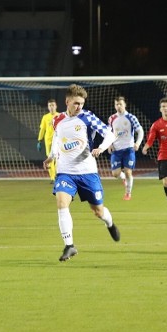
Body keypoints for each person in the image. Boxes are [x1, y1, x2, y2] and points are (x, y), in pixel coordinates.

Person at [43, 84, 120, 262]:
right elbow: (56, 139)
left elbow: (110, 134)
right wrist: (51, 156)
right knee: (62, 202)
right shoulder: (57, 120)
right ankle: (69, 245)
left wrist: (101, 148)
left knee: (98, 211)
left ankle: (109, 223)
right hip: (65, 172)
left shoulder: (87, 118)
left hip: (87, 173)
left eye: (82, 103)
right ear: (67, 101)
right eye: (76, 103)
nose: (79, 107)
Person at [107, 96, 144, 201]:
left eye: (120, 104)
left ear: (125, 105)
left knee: (128, 172)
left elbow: (140, 131)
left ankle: (128, 193)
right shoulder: (111, 118)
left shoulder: (131, 117)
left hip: (128, 149)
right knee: (115, 174)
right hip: (116, 150)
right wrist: (109, 144)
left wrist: (137, 143)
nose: (118, 106)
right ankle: (123, 178)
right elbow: (108, 133)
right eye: (116, 104)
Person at [37, 98, 59, 183]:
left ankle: (57, 175)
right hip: (48, 141)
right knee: (50, 159)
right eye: (50, 105)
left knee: (58, 159)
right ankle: (53, 178)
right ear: (48, 107)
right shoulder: (45, 117)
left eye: (53, 105)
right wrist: (39, 140)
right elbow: (42, 129)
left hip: (58, 141)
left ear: (56, 106)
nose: (51, 107)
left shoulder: (60, 116)